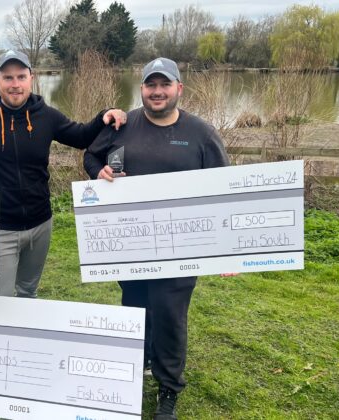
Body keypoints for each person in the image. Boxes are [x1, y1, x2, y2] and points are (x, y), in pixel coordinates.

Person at [83, 57, 229, 420]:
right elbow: (91, 156)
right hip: (130, 246)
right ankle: (137, 365)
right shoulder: (121, 125)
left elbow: (223, 190)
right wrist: (98, 172)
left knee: (169, 315)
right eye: (151, 85)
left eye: (165, 85)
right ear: (142, 89)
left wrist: (228, 251)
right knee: (135, 307)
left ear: (179, 88)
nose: (158, 91)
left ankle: (169, 388)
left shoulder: (202, 134)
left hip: (180, 249)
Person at [0, 50, 126, 298]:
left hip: (41, 224)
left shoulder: (47, 115)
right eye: (8, 77)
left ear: (31, 78)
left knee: (28, 293)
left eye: (21, 77)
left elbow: (81, 137)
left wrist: (105, 115)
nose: (15, 84)